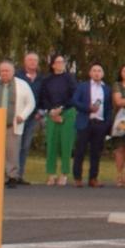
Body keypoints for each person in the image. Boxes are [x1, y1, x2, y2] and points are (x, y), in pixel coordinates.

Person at [70, 62, 112, 188]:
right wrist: (87, 108)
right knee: (80, 151)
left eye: (99, 71)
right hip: (85, 122)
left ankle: (93, 178)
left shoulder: (106, 89)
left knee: (96, 152)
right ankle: (77, 178)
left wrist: (107, 124)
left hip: (99, 124)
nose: (97, 73)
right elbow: (75, 101)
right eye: (94, 70)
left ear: (102, 74)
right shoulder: (82, 86)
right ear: (90, 73)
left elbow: (109, 107)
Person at [38, 54, 77, 186]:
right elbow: (43, 98)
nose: (61, 64)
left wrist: (62, 108)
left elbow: (74, 96)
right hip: (51, 113)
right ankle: (51, 173)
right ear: (53, 64)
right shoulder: (47, 80)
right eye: (58, 62)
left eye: (62, 62)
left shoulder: (70, 78)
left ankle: (64, 173)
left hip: (67, 112)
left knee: (66, 144)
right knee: (52, 144)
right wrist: (51, 111)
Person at [0, 60, 36, 187]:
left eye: (7, 71)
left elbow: (31, 102)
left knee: (12, 151)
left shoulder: (22, 85)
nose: (5, 73)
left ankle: (12, 177)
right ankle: (0, 176)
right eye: (2, 70)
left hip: (13, 124)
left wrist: (23, 116)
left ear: (13, 72)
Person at [14, 51, 42, 184]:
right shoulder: (17, 77)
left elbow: (43, 97)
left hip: (32, 117)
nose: (32, 62)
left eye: (35, 60)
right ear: (25, 62)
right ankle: (10, 174)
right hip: (17, 117)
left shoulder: (41, 79)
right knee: (14, 146)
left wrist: (40, 112)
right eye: (30, 60)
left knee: (25, 146)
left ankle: (20, 174)